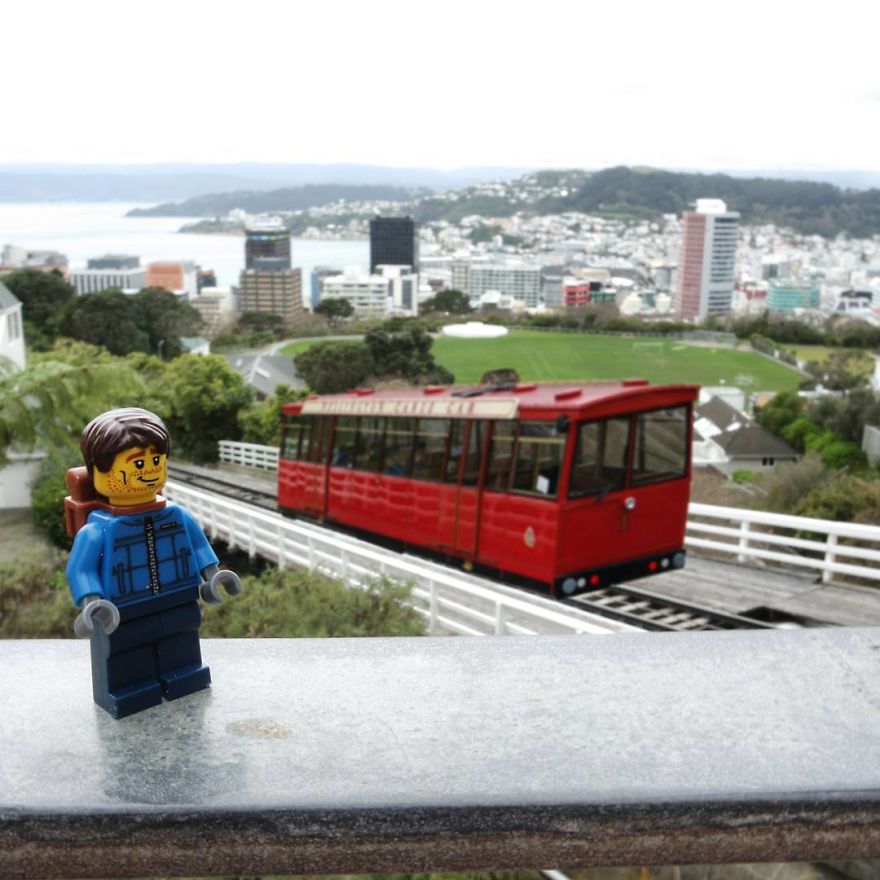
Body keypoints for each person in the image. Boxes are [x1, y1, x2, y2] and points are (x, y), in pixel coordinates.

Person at [65, 407, 242, 719]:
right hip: (124, 608)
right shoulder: (97, 530)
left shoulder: (176, 514)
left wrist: (213, 575)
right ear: (98, 472)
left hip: (179, 596)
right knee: (125, 650)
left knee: (182, 637)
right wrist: (91, 600)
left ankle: (184, 675)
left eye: (156, 461)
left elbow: (197, 545)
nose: (148, 470)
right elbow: (81, 568)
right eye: (137, 463)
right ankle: (128, 690)